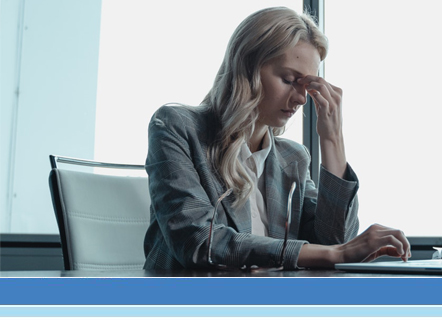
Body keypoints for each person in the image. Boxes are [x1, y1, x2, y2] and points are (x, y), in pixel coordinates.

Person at [143, 6, 411, 270]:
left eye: (307, 85)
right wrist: (335, 253)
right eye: (289, 79)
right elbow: (198, 241)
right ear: (247, 68)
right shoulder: (176, 127)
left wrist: (332, 140)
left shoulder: (292, 158)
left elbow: (333, 243)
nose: (301, 98)